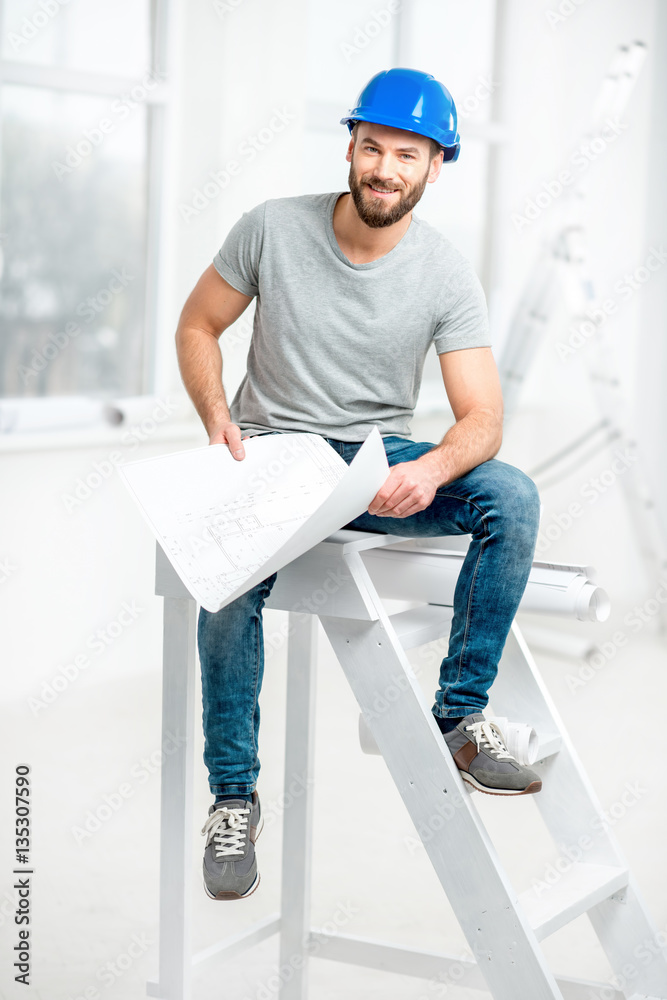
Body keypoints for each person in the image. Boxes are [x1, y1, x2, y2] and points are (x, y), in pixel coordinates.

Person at [175, 68, 542, 902]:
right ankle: (234, 798)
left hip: (377, 461)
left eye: (405, 155)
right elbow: (198, 324)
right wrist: (215, 419)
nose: (383, 167)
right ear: (350, 146)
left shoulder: (445, 273)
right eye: (371, 147)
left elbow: (481, 416)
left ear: (433, 167)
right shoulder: (269, 228)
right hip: (270, 451)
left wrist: (434, 465)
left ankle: (458, 717)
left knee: (510, 496)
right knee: (225, 577)